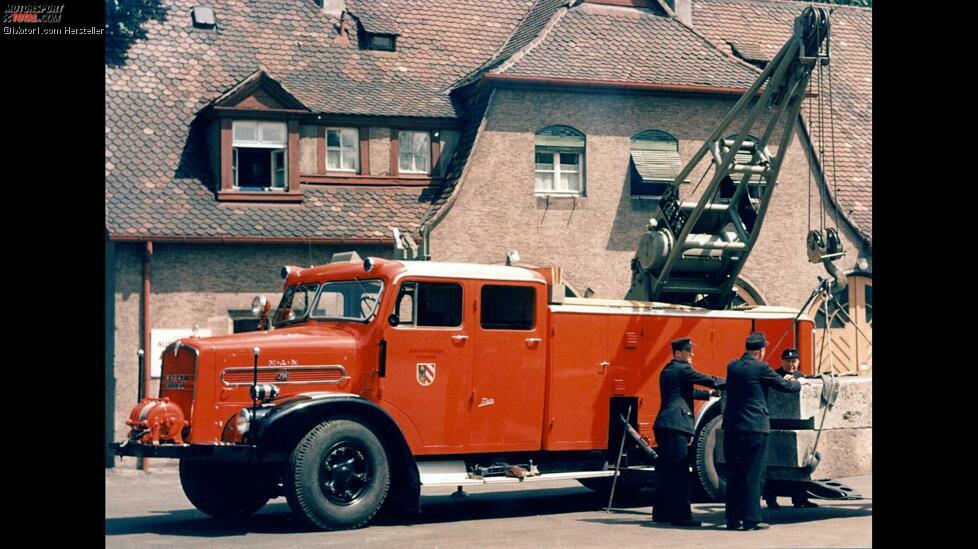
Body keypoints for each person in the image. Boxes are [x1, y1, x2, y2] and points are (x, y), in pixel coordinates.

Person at [723, 333, 801, 531]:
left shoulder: (732, 366)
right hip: (754, 427)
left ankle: (732, 519)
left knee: (734, 474)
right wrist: (798, 382)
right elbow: (784, 386)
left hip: (732, 428)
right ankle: (751, 519)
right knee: (753, 474)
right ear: (761, 351)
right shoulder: (761, 367)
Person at [652, 337, 724, 527]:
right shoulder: (682, 368)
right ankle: (681, 516)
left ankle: (661, 513)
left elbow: (684, 392)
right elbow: (706, 379)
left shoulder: (669, 370)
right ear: (678, 353)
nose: (692, 354)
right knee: (680, 472)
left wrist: (708, 395)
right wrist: (729, 381)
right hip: (676, 425)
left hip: (665, 424)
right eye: (688, 350)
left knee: (666, 471)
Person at [764, 348, 818, 509]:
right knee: (774, 466)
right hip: (776, 424)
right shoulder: (774, 374)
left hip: (798, 425)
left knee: (800, 465)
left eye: (794, 361)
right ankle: (771, 499)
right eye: (788, 361)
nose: (791, 364)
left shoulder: (801, 376)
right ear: (782, 362)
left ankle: (800, 498)